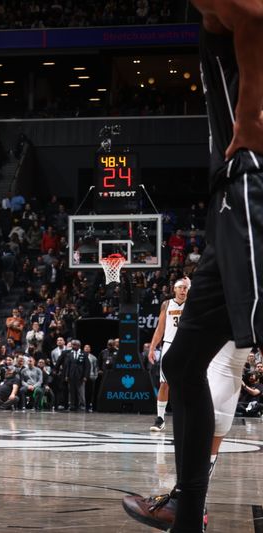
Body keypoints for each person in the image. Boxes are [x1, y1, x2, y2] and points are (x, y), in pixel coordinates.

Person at [123, 2, 263, 531]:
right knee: (181, 364)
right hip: (230, 202)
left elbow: (254, 13)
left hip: (251, 184)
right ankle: (187, 508)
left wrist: (247, 119)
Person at [147, 278, 189, 432]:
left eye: (186, 288)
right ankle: (160, 419)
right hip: (169, 345)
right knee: (165, 383)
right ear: (175, 289)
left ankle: (188, 417)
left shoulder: (191, 303)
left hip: (187, 346)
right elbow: (160, 328)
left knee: (188, 384)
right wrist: (152, 348)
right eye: (181, 288)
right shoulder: (166, 304)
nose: (183, 290)